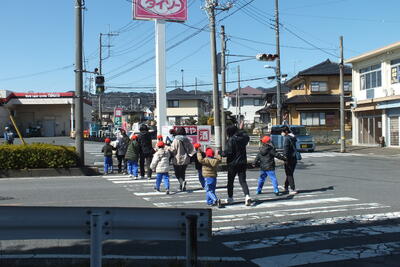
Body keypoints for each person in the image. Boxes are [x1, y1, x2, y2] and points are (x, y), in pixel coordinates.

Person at [223, 122, 251, 206]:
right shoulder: (243, 138)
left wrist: (221, 153)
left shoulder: (231, 140)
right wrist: (241, 129)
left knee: (230, 181)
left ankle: (230, 198)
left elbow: (229, 152)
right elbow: (246, 136)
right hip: (242, 162)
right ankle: (247, 196)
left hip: (232, 164)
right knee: (242, 181)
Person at [170, 127, 195, 191]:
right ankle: (182, 186)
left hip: (177, 159)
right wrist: (189, 154)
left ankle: (182, 183)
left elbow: (173, 150)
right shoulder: (187, 139)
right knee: (182, 173)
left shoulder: (176, 140)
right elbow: (191, 148)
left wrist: (168, 148)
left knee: (177, 173)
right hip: (186, 158)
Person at [282, 126, 298, 194]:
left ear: (285, 132)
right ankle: (286, 186)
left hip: (288, 158)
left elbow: (286, 150)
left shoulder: (286, 138)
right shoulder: (293, 137)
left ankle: (292, 188)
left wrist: (284, 158)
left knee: (289, 174)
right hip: (294, 157)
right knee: (289, 173)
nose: (281, 133)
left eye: (282, 132)